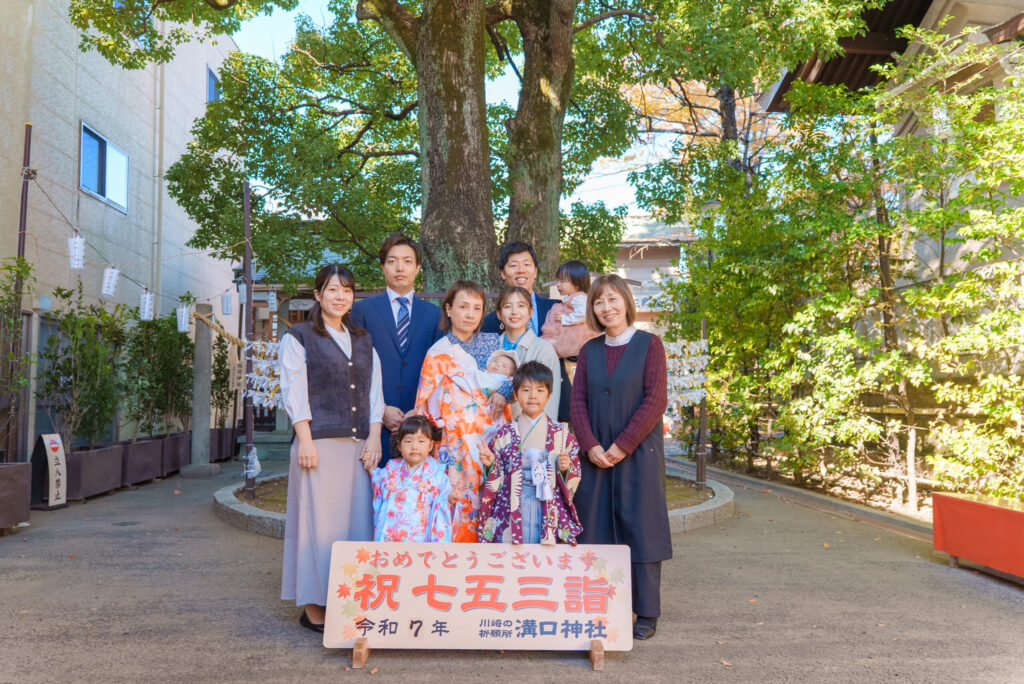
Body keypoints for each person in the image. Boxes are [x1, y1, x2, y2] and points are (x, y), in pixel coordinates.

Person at [279, 264, 385, 634]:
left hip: (357, 447)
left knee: (356, 525)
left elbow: (375, 393)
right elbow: (293, 390)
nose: (340, 297)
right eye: (332, 290)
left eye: (347, 291)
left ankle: (349, 601)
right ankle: (313, 608)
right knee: (316, 527)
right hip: (319, 444)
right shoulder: (300, 336)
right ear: (318, 295)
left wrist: (374, 437)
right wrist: (304, 438)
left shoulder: (363, 339)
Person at [570, 274, 670, 642]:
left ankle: (646, 611)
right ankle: (599, 603)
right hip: (594, 457)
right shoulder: (589, 350)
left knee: (639, 529)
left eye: (612, 300)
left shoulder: (649, 345)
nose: (606, 307)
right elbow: (577, 402)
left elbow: (655, 400)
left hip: (638, 454)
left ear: (626, 302)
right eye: (599, 302)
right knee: (594, 527)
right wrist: (590, 444)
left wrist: (623, 444)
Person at [414, 280, 512, 543]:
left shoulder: (495, 348)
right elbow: (425, 405)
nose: (470, 314)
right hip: (453, 443)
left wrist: (507, 390)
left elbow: (511, 385)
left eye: (477, 308)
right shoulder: (438, 353)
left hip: (491, 441)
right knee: (456, 504)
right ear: (448, 309)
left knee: (492, 505)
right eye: (463, 307)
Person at [351, 234, 443, 468]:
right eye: (392, 261)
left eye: (407, 261)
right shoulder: (362, 311)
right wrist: (380, 410)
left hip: (419, 429)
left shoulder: (434, 315)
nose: (400, 267)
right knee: (374, 497)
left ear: (418, 267)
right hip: (375, 426)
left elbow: (440, 372)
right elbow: (355, 368)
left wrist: (419, 410)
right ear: (383, 267)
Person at [478, 361, 582, 546]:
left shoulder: (562, 435)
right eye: (526, 390)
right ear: (516, 395)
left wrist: (564, 469)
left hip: (547, 502)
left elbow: (572, 476)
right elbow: (496, 476)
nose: (533, 396)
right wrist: (490, 465)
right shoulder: (505, 434)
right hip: (512, 501)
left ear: (549, 395)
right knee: (513, 553)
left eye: (540, 390)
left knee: (543, 556)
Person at [481, 241, 568, 421]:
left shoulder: (558, 310)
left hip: (550, 406)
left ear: (535, 271)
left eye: (527, 264)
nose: (521, 270)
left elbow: (575, 351)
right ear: (503, 273)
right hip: (497, 421)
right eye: (513, 265)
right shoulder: (489, 325)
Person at [371, 415, 465, 543]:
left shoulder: (438, 476)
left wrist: (449, 501)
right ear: (399, 445)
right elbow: (377, 482)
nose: (414, 446)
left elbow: (442, 506)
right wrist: (371, 469)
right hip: (391, 533)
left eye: (421, 441)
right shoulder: (390, 469)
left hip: (420, 535)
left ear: (431, 445)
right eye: (408, 441)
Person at [494, 286, 561, 421]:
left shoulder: (544, 350)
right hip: (493, 430)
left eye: (521, 306)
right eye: (507, 306)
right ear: (499, 314)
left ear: (530, 312)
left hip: (528, 432)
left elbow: (549, 403)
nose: (514, 312)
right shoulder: (491, 347)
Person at [541, 259, 600, 359]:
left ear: (577, 284)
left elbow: (583, 314)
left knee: (548, 345)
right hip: (570, 332)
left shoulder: (580, 298)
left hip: (577, 334)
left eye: (562, 281)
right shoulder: (574, 298)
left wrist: (565, 319)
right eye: (557, 281)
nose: (558, 285)